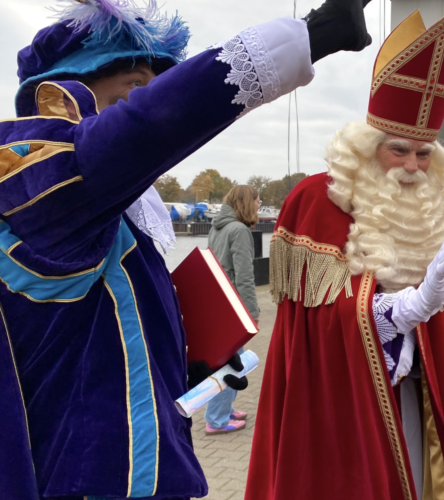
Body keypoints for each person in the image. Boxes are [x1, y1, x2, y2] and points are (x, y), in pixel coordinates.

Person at [0, 0, 372, 497]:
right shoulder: (39, 180)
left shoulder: (111, 217)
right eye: (133, 89)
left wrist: (202, 372)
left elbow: (120, 363)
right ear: (63, 93)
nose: (150, 99)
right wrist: (313, 34)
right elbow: (148, 128)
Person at [245, 13, 444, 500]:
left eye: (423, 154)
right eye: (399, 150)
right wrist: (401, 310)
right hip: (337, 403)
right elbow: (311, 326)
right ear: (369, 144)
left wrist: (441, 304)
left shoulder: (427, 204)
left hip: (413, 393)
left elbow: (439, 305)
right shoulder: (317, 199)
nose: (413, 167)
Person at [204, 186, 261, 434]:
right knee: (230, 364)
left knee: (228, 360)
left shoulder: (217, 227)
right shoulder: (239, 230)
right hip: (234, 305)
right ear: (248, 203)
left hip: (217, 301)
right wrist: (253, 312)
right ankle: (216, 419)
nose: (260, 205)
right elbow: (245, 275)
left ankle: (224, 409)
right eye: (258, 201)